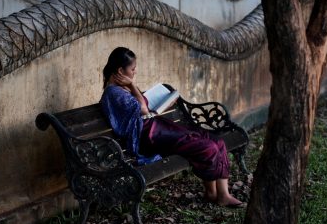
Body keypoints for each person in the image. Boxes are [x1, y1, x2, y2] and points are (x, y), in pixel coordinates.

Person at [100, 47, 243, 208]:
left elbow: (143, 109)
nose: (135, 72)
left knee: (217, 142)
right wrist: (133, 86)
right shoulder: (113, 93)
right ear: (120, 70)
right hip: (148, 137)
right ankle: (213, 194)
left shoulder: (120, 89)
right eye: (132, 69)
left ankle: (223, 194)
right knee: (207, 147)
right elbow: (143, 110)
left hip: (156, 129)